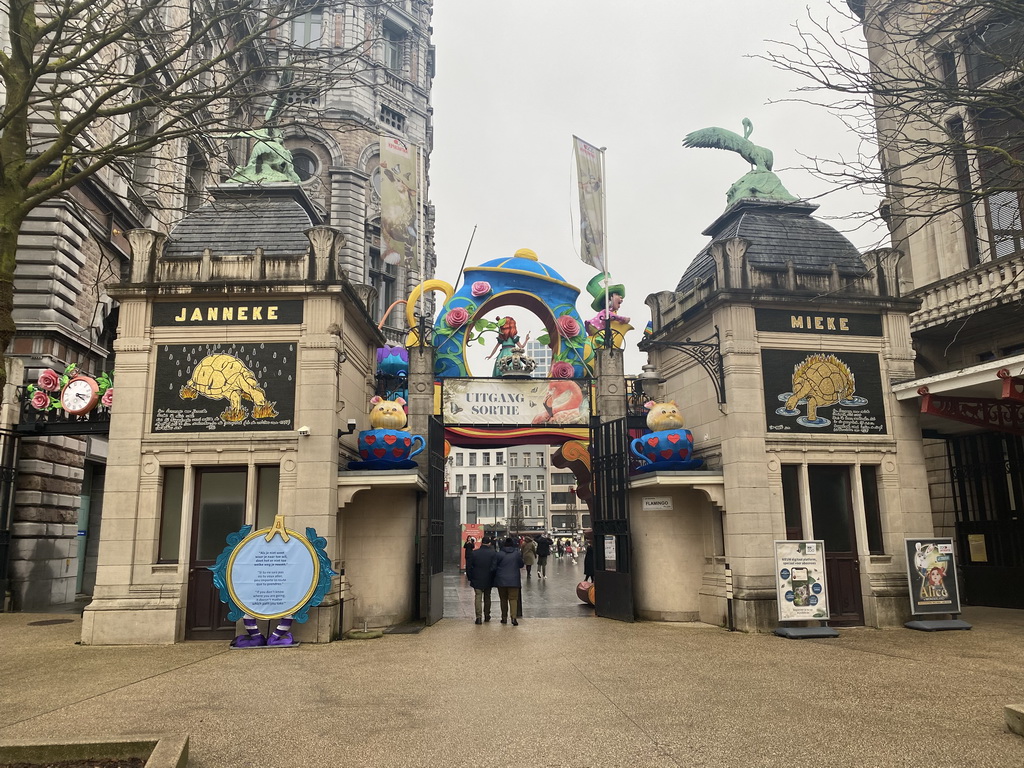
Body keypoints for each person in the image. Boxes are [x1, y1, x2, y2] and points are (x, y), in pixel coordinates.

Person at [466, 537, 499, 624]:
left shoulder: (474, 553)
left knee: (478, 597)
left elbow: (468, 566)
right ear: (489, 543)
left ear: (481, 543)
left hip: (477, 578)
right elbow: (494, 567)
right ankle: (487, 615)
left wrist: (470, 577)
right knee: (487, 597)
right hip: (488, 578)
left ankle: (478, 617)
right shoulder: (493, 553)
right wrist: (493, 576)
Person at [493, 537, 524, 625]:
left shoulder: (499, 554)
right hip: (514, 580)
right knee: (513, 599)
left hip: (501, 580)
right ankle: (513, 618)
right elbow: (521, 565)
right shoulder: (516, 554)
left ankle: (504, 618)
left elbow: (494, 566)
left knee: (503, 599)